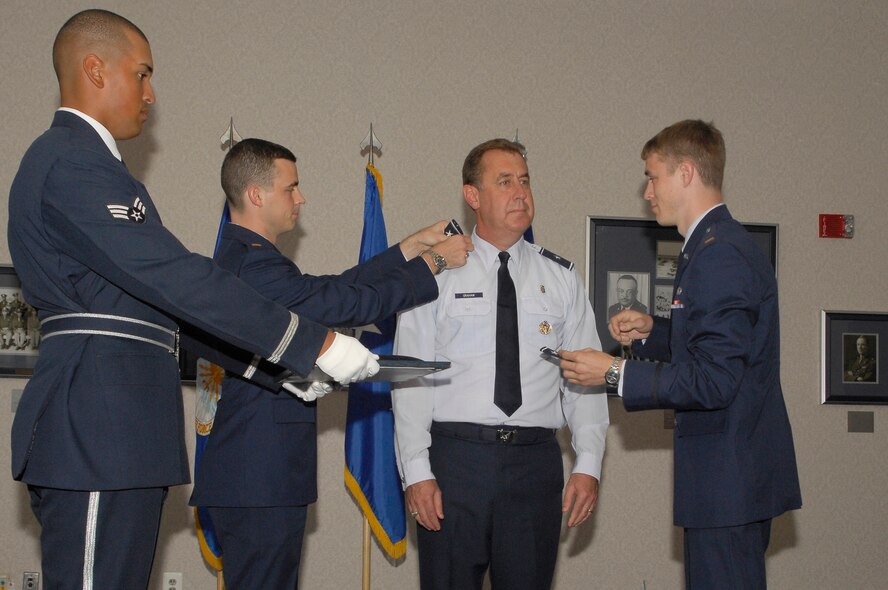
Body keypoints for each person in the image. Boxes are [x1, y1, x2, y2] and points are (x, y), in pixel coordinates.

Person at [7, 10, 379, 589]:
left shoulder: (98, 167)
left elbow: (163, 318)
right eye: (142, 73)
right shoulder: (70, 160)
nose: (151, 94)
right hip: (97, 430)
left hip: (120, 430)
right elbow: (173, 278)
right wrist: (314, 343)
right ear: (95, 70)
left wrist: (276, 372)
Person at [189, 137, 473, 589]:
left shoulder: (247, 257)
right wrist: (433, 263)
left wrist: (406, 250)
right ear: (257, 195)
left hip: (254, 476)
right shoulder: (255, 266)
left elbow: (330, 290)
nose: (301, 198)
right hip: (258, 477)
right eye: (291, 187)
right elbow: (343, 304)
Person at [559, 120, 802, 589]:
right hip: (726, 481)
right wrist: (654, 333)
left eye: (653, 177)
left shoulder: (720, 253)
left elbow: (715, 380)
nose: (647, 191)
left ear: (686, 172)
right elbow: (722, 347)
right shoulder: (711, 245)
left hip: (728, 482)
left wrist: (615, 372)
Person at [392, 138, 609, 590]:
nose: (520, 193)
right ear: (472, 195)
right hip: (456, 463)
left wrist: (588, 462)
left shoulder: (562, 277)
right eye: (505, 182)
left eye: (525, 181)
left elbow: (583, 377)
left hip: (534, 465)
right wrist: (417, 471)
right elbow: (411, 377)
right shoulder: (435, 273)